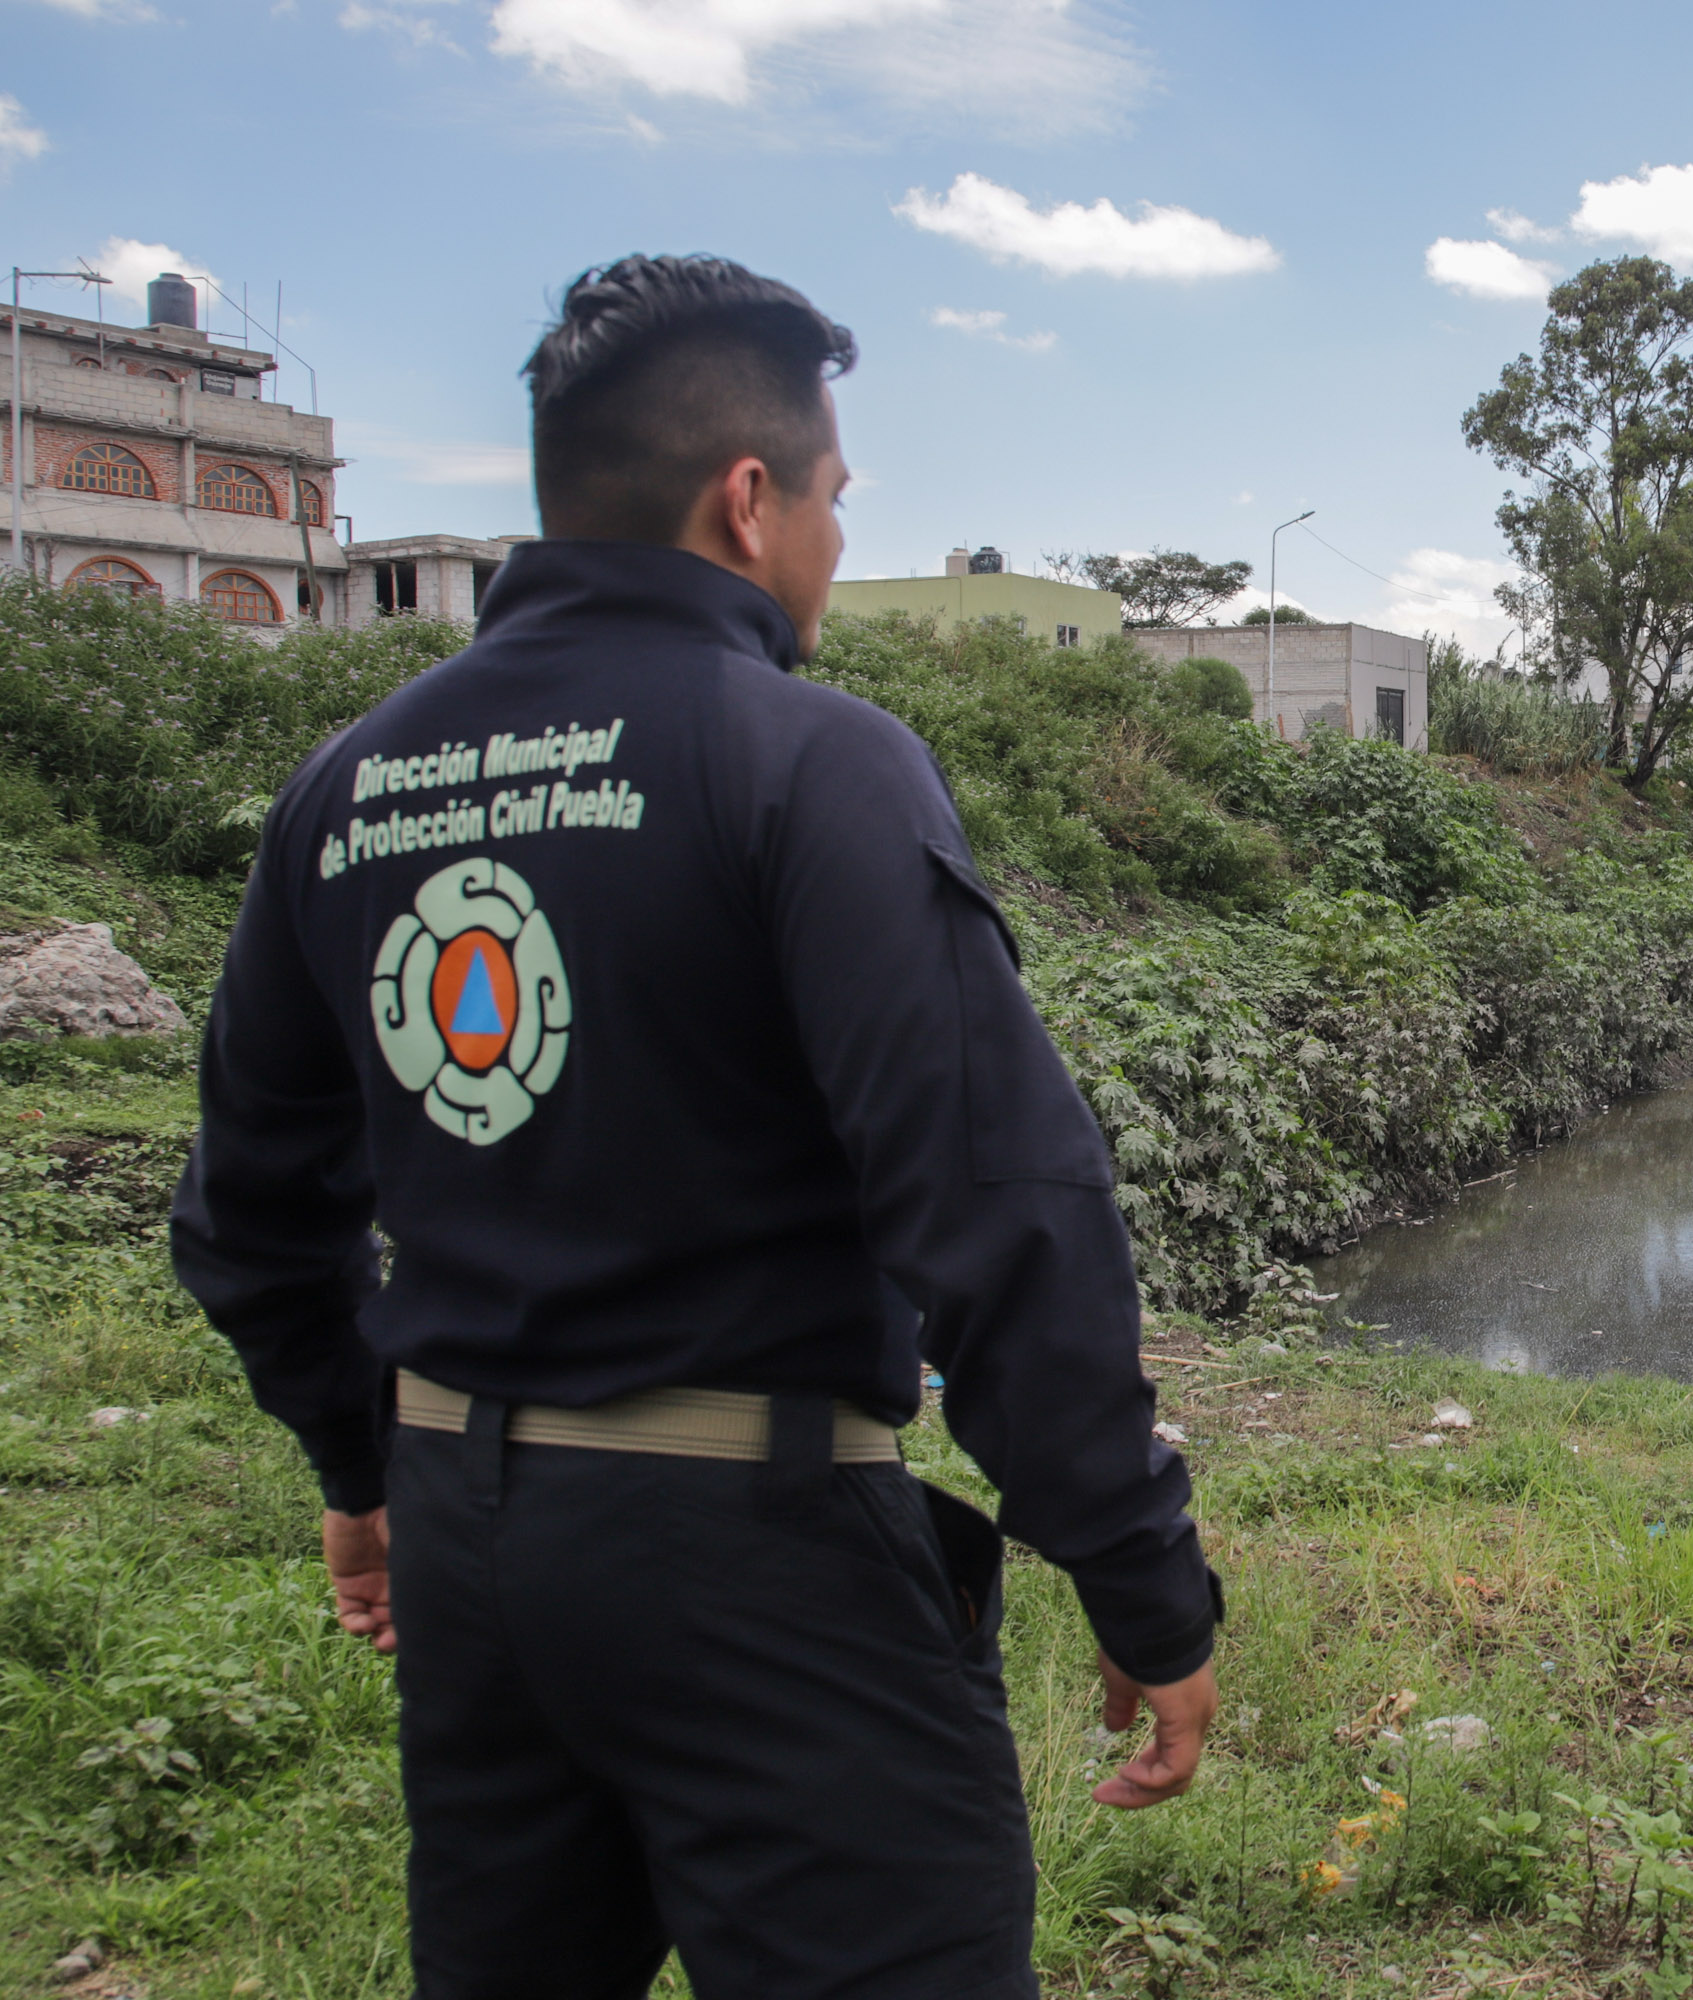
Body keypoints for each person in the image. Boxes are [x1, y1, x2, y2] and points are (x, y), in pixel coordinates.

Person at [170, 254, 1217, 2000]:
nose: (826, 540)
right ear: (748, 500)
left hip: (473, 1552)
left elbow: (252, 1204)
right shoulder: (810, 761)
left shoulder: (349, 789)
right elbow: (996, 1203)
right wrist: (1140, 1576)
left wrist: (363, 1466)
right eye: (830, 497)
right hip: (761, 1567)